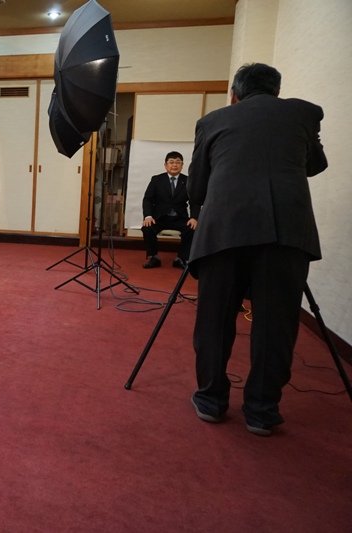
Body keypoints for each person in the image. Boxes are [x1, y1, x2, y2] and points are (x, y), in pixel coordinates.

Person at [187, 63, 328, 436]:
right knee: (276, 324)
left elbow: (196, 189)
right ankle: (262, 411)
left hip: (223, 232)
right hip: (285, 233)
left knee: (214, 320)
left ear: (235, 94)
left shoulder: (212, 121)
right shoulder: (303, 113)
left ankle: (211, 400)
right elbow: (316, 164)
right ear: (277, 91)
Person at [141, 151, 199, 269]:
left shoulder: (188, 181)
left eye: (178, 162)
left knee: (192, 229)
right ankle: (153, 257)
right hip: (160, 217)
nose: (174, 165)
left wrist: (194, 217)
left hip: (179, 217)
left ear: (182, 165)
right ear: (165, 165)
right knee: (147, 228)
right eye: (171, 162)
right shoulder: (157, 180)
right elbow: (148, 199)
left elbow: (194, 202)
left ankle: (181, 258)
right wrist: (148, 216)